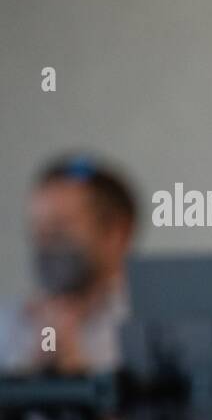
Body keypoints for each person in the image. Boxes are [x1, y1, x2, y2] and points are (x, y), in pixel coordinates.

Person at [0, 155, 137, 373]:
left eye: (59, 229)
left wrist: (73, 368)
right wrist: (41, 357)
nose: (45, 244)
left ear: (116, 233)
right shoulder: (10, 322)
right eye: (37, 231)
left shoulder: (146, 326)